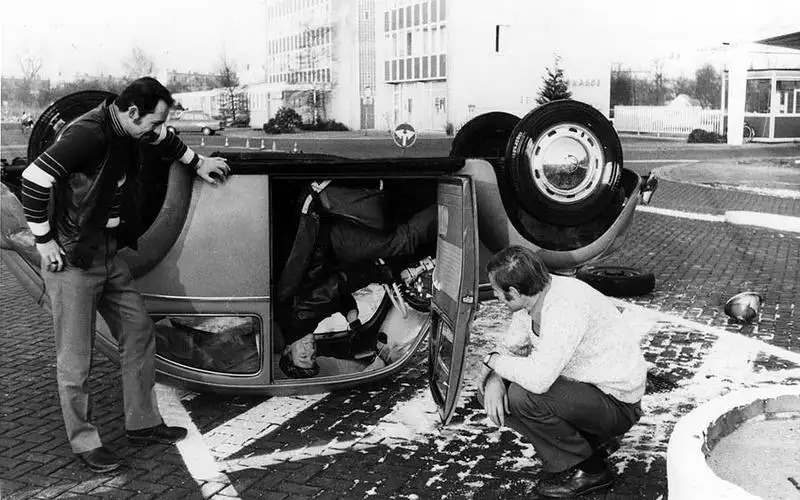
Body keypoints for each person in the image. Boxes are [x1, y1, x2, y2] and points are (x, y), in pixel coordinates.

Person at [19, 77, 230, 473]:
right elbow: (34, 179)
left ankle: (143, 423)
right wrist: (45, 241)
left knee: (138, 331)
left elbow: (164, 138)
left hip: (109, 255)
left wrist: (197, 163)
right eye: (151, 122)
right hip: (74, 260)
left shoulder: (128, 125)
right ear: (132, 112)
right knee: (75, 359)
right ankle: (85, 442)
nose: (156, 130)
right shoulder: (88, 133)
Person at [479, 245, 646, 498]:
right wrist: (493, 378)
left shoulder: (564, 307)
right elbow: (510, 347)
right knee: (493, 395)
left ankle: (593, 470)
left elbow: (538, 380)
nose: (494, 295)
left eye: (496, 290)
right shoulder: (533, 297)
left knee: (522, 397)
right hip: (589, 390)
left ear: (513, 292)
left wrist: (493, 361)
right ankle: (590, 443)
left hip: (618, 404)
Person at [276, 180, 437, 378]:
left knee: (402, 243)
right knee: (393, 246)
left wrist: (378, 274)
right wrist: (351, 316)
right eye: (312, 357)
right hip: (326, 248)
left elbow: (339, 283)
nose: (310, 352)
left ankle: (448, 211)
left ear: (287, 350)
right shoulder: (295, 321)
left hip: (330, 244)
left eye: (302, 356)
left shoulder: (300, 319)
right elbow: (326, 294)